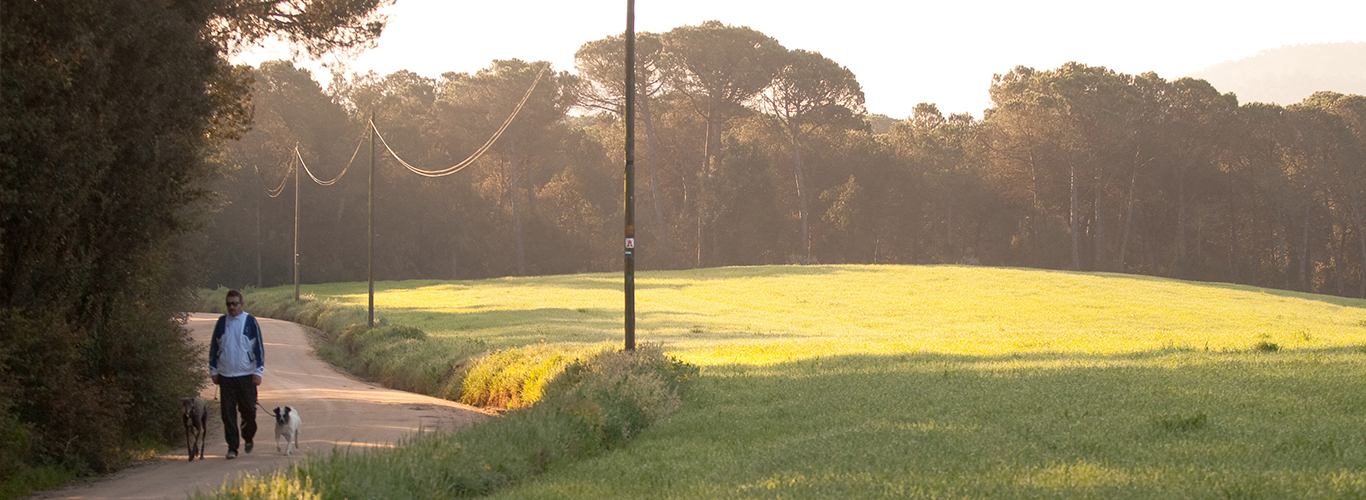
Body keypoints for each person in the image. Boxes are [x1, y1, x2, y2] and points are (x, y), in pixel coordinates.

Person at [209, 289, 265, 459]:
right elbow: (214, 347)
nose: (231, 307)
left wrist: (258, 371)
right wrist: (213, 370)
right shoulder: (221, 323)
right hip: (226, 376)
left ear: (241, 304)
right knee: (227, 413)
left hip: (246, 375)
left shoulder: (250, 321)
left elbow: (259, 348)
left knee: (248, 410)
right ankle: (232, 447)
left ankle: (248, 436)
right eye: (228, 304)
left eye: (234, 304)